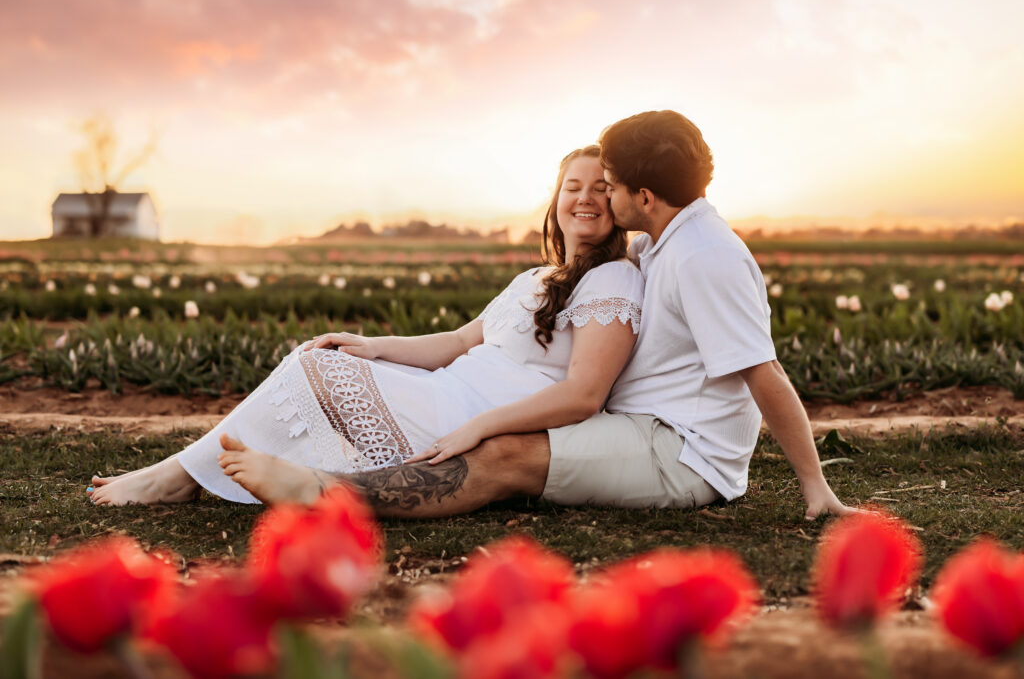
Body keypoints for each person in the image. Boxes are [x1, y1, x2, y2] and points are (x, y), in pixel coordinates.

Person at [212, 110, 856, 521]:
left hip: (681, 452)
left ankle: (324, 495)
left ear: (644, 196)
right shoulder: (661, 239)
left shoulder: (705, 256)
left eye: (610, 185)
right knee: (492, 439)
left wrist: (814, 486)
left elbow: (763, 372)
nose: (598, 195)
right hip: (640, 426)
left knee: (502, 455)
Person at [88, 145, 644, 506]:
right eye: (573, 185)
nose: (585, 197)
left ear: (618, 203)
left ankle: (181, 474)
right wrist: (374, 346)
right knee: (322, 360)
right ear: (556, 197)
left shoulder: (613, 279)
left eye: (601, 187)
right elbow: (458, 341)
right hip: (446, 391)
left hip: (472, 415)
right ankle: (187, 472)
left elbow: (584, 395)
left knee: (314, 371)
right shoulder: (536, 276)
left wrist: (484, 427)